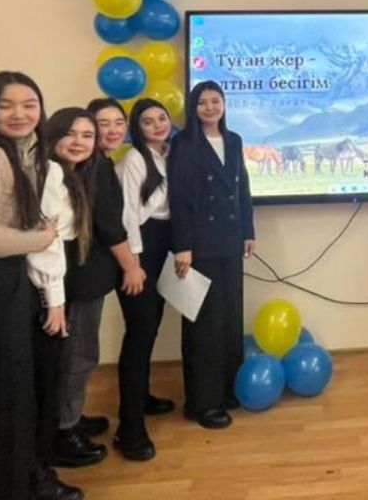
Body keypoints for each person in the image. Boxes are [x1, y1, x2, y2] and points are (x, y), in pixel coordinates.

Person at [0, 71, 79, 500]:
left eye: (29, 105)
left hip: (5, 284)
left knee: (10, 393)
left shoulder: (21, 154)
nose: (19, 114)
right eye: (6, 105)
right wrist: (38, 240)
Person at [43, 108, 146, 468]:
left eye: (87, 135)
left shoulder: (86, 167)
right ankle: (63, 430)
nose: (111, 131)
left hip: (83, 278)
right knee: (78, 355)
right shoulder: (59, 173)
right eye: (101, 125)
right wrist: (131, 266)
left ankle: (70, 417)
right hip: (73, 282)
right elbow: (109, 225)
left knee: (79, 354)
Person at [168, 81, 256, 429]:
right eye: (202, 102)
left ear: (224, 104)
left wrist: (248, 231)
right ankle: (202, 402)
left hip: (231, 242)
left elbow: (242, 188)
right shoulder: (183, 143)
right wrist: (183, 245)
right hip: (198, 246)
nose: (209, 107)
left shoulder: (234, 140)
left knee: (230, 317)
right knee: (204, 324)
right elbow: (179, 196)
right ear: (194, 107)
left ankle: (228, 390)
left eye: (215, 101)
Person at [113, 98, 176, 460]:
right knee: (139, 334)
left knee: (149, 328)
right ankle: (129, 429)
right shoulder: (134, 159)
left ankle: (143, 398)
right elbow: (128, 215)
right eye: (148, 121)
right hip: (140, 251)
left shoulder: (167, 155)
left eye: (161, 118)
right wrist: (132, 265)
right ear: (137, 128)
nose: (157, 125)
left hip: (162, 245)